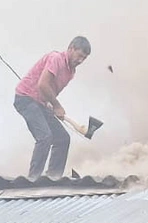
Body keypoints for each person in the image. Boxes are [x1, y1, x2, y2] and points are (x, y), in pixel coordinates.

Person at [14, 37, 91, 180]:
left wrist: (50, 103)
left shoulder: (71, 72)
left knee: (62, 138)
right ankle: (33, 179)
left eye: (84, 58)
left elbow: (50, 89)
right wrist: (57, 105)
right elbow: (42, 85)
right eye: (79, 56)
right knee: (45, 137)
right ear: (71, 49)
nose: (80, 60)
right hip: (25, 98)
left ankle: (53, 178)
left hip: (40, 103)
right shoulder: (56, 59)